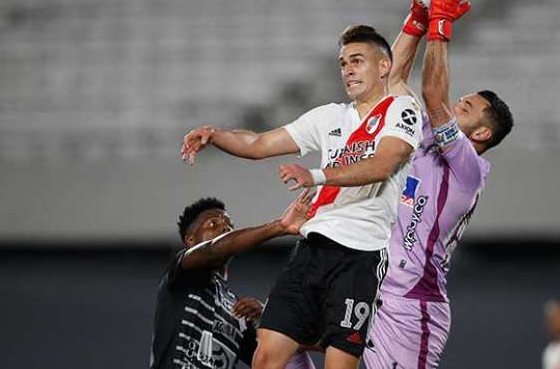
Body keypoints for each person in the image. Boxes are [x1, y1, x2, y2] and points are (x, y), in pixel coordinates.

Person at [180, 26, 423, 369]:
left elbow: (384, 165)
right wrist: (215, 135)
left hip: (360, 259)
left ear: (384, 66)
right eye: (342, 64)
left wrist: (316, 175)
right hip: (311, 253)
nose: (348, 70)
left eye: (357, 61)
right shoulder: (329, 117)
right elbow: (258, 144)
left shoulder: (402, 110)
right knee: (265, 357)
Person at [363, 0, 515, 369]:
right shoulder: (424, 134)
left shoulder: (469, 168)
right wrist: (416, 17)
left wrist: (441, 22)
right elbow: (390, 80)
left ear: (482, 132)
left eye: (466, 107)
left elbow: (432, 92)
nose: (455, 103)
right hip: (369, 284)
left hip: (412, 304)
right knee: (277, 346)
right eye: (458, 98)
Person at [149, 192, 317, 369]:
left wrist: (268, 319)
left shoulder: (237, 314)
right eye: (213, 224)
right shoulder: (181, 271)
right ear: (190, 241)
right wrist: (280, 226)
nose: (224, 228)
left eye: (230, 226)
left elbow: (284, 348)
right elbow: (214, 250)